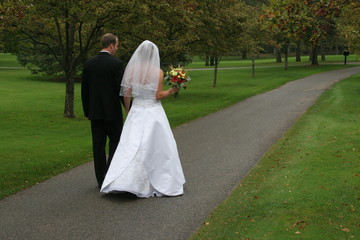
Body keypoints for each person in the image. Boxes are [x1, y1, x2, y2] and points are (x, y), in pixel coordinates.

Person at [100, 40, 186, 197]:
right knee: (156, 146)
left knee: (130, 145)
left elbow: (126, 93)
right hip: (153, 112)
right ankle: (157, 179)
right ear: (154, 56)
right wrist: (172, 90)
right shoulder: (157, 72)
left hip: (136, 110)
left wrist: (128, 110)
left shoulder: (131, 69)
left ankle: (124, 179)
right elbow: (158, 96)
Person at [81, 33, 125, 188]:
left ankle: (101, 180)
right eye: (117, 45)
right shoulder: (117, 64)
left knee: (98, 146)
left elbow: (84, 91)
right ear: (111, 45)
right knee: (115, 142)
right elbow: (121, 91)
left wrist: (88, 111)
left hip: (95, 113)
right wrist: (129, 108)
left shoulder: (89, 64)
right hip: (112, 113)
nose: (117, 48)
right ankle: (110, 174)